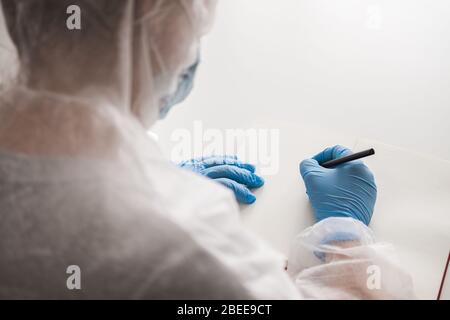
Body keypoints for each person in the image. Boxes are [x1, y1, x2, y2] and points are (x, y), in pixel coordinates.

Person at [0, 0, 414, 299]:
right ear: (149, 26)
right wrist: (344, 237)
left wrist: (145, 176)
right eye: (195, 23)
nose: (196, 51)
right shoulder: (186, 252)